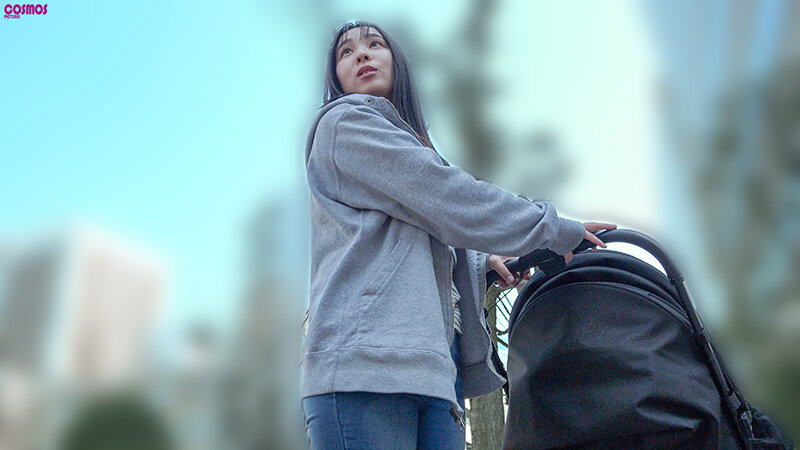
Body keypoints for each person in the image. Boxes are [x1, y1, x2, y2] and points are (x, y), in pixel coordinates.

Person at [301, 20, 616, 449]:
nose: (361, 54)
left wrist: (481, 262)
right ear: (335, 78)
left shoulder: (412, 147)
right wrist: (549, 229)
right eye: (346, 51)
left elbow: (417, 236)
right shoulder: (343, 124)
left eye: (375, 44)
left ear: (397, 62)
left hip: (436, 372)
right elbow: (446, 197)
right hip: (364, 366)